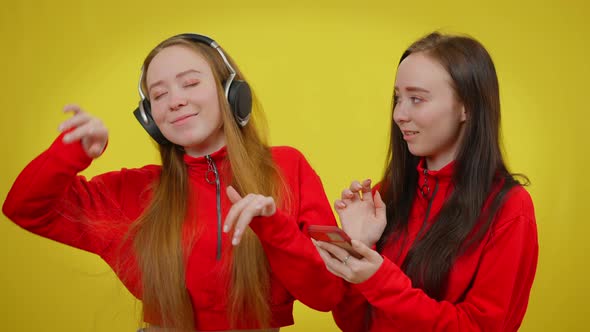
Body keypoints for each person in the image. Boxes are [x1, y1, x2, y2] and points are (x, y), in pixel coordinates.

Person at [2, 33, 343, 331]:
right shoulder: (135, 192)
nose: (175, 100)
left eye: (191, 83)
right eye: (159, 94)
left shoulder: (289, 168)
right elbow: (24, 208)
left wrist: (275, 230)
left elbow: (329, 294)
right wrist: (71, 153)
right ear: (150, 117)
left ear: (232, 93)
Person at [314, 32, 539, 331]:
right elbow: (355, 324)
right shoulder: (387, 195)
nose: (399, 114)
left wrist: (379, 279)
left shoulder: (510, 209)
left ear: (466, 108)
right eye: (397, 98)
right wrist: (358, 247)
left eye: (416, 99)